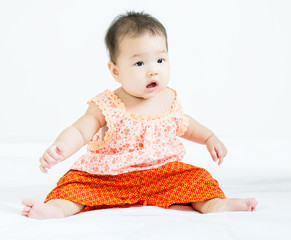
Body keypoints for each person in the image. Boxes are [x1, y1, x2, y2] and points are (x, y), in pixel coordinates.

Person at [21, 11, 258, 219]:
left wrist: (209, 137)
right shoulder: (106, 105)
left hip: (161, 174)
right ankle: (57, 208)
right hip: (109, 178)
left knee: (197, 178)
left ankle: (215, 204)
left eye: (160, 59)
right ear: (115, 71)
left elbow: (184, 125)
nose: (153, 69)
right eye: (139, 63)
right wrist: (60, 148)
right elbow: (81, 130)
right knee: (75, 185)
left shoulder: (169, 99)